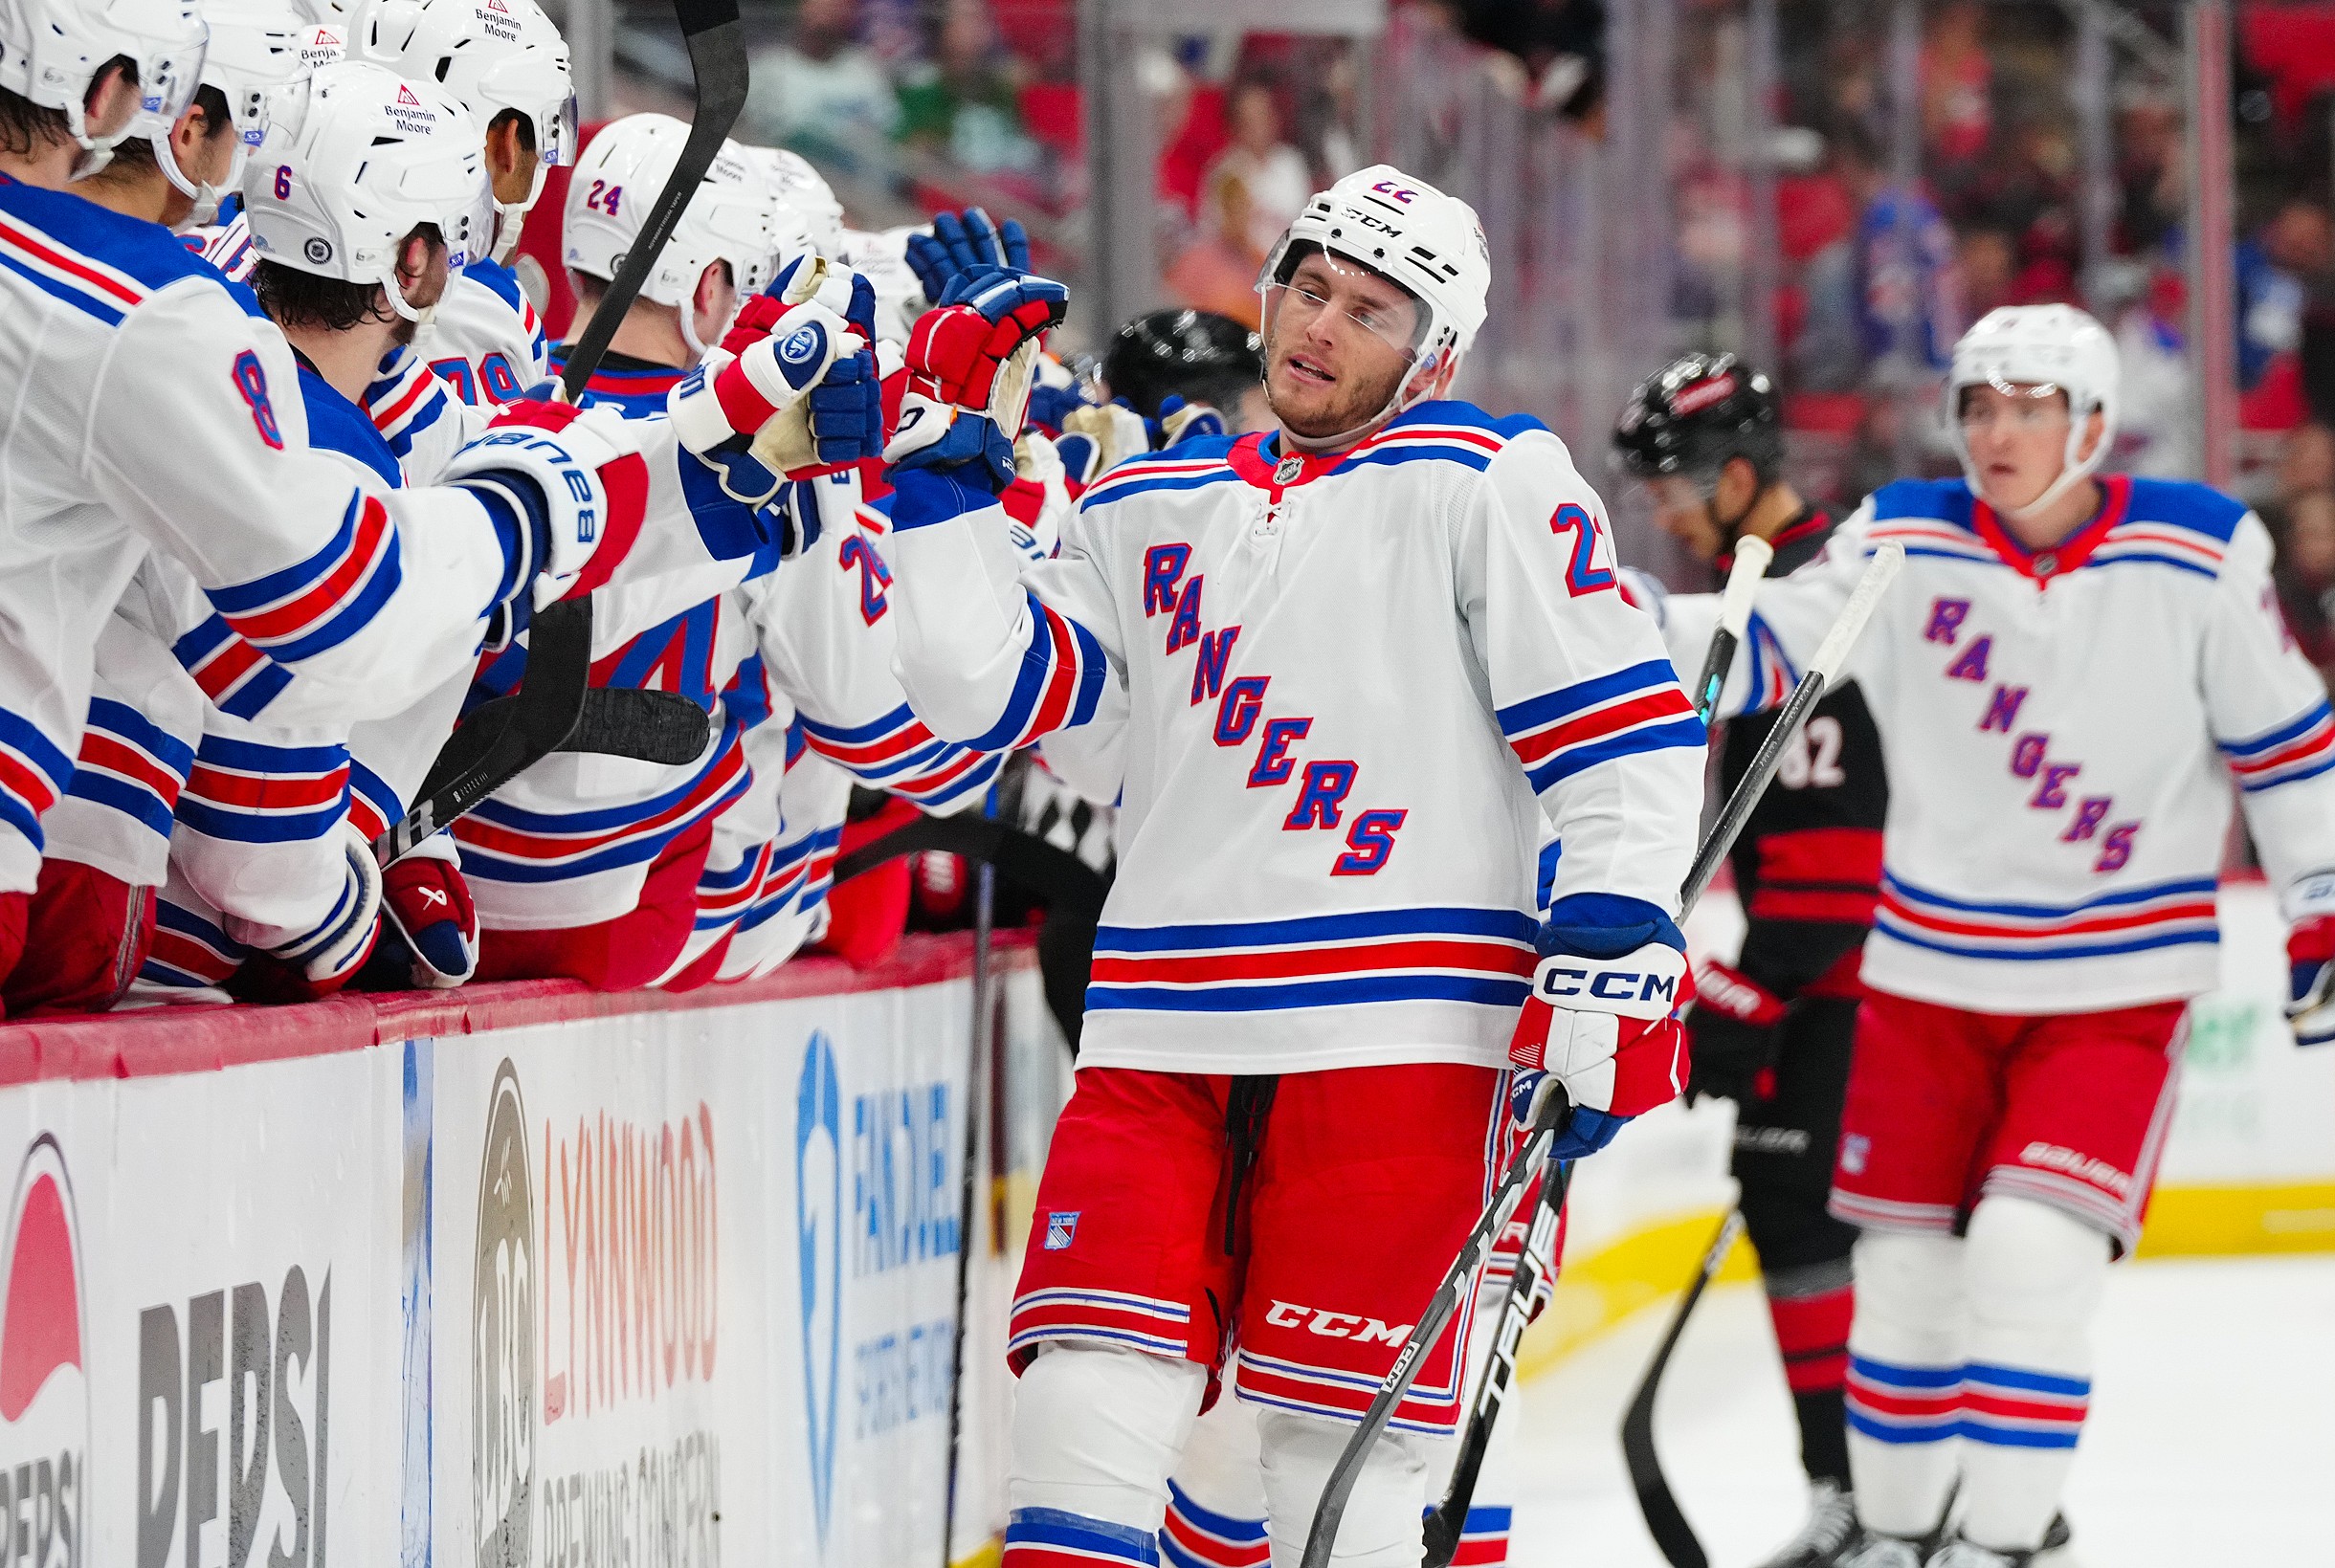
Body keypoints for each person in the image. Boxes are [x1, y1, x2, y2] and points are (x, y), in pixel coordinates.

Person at [880, 165, 1706, 1566]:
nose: (1321, 327)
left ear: (1432, 352)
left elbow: (1619, 730)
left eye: (1370, 310)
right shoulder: (1144, 501)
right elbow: (984, 690)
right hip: (1157, 1032)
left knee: (1351, 1473)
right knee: (1082, 1407)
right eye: (1308, 287)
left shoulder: (1487, 480)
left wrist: (1617, 950)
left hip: (1403, 1043)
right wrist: (944, 479)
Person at [1643, 304, 2335, 1568]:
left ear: (2090, 420)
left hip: (2116, 989)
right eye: (1978, 405)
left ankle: (2008, 1543)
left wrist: (2320, 894)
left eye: (2028, 405)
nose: (1997, 431)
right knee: (1902, 1281)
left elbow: (2283, 736)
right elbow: (1774, 641)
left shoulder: (2197, 548)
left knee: (2026, 1251)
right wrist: (1606, 613)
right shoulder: (1905, 535)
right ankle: (1903, 1537)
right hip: (1925, 983)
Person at [0, 0, 639, 1002]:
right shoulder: (156, 317)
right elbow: (308, 633)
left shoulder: (195, 300)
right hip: (119, 890)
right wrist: (531, 512)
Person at [1613, 352, 1889, 1568]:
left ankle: (1894, 1496)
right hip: (1825, 989)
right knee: (1792, 1213)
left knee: (1855, 1227)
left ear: (1735, 477)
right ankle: (1853, 1493)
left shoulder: (1822, 600)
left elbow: (1837, 874)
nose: (1663, 510)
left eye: (1675, 484)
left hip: (1871, 994)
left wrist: (1742, 993)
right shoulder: (1768, 589)